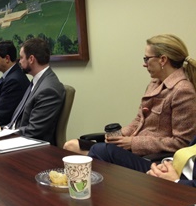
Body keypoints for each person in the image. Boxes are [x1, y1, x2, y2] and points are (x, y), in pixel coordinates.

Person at [64, 34, 196, 156]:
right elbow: (139, 120)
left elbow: (182, 143)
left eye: (147, 59)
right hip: (133, 148)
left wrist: (133, 143)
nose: (144, 64)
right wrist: (120, 135)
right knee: (71, 145)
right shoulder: (154, 84)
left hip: (149, 157)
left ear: (162, 60)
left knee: (79, 150)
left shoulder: (182, 90)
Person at [5, 38, 65, 144]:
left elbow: (35, 130)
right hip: (19, 138)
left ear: (31, 59)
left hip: (33, 147)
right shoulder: (37, 80)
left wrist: (7, 134)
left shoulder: (48, 89)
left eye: (22, 57)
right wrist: (0, 130)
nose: (19, 61)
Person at [88, 136, 196, 188]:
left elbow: (180, 141)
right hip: (175, 167)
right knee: (100, 150)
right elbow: (190, 150)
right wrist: (168, 164)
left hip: (185, 184)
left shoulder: (182, 92)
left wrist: (176, 182)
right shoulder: (152, 90)